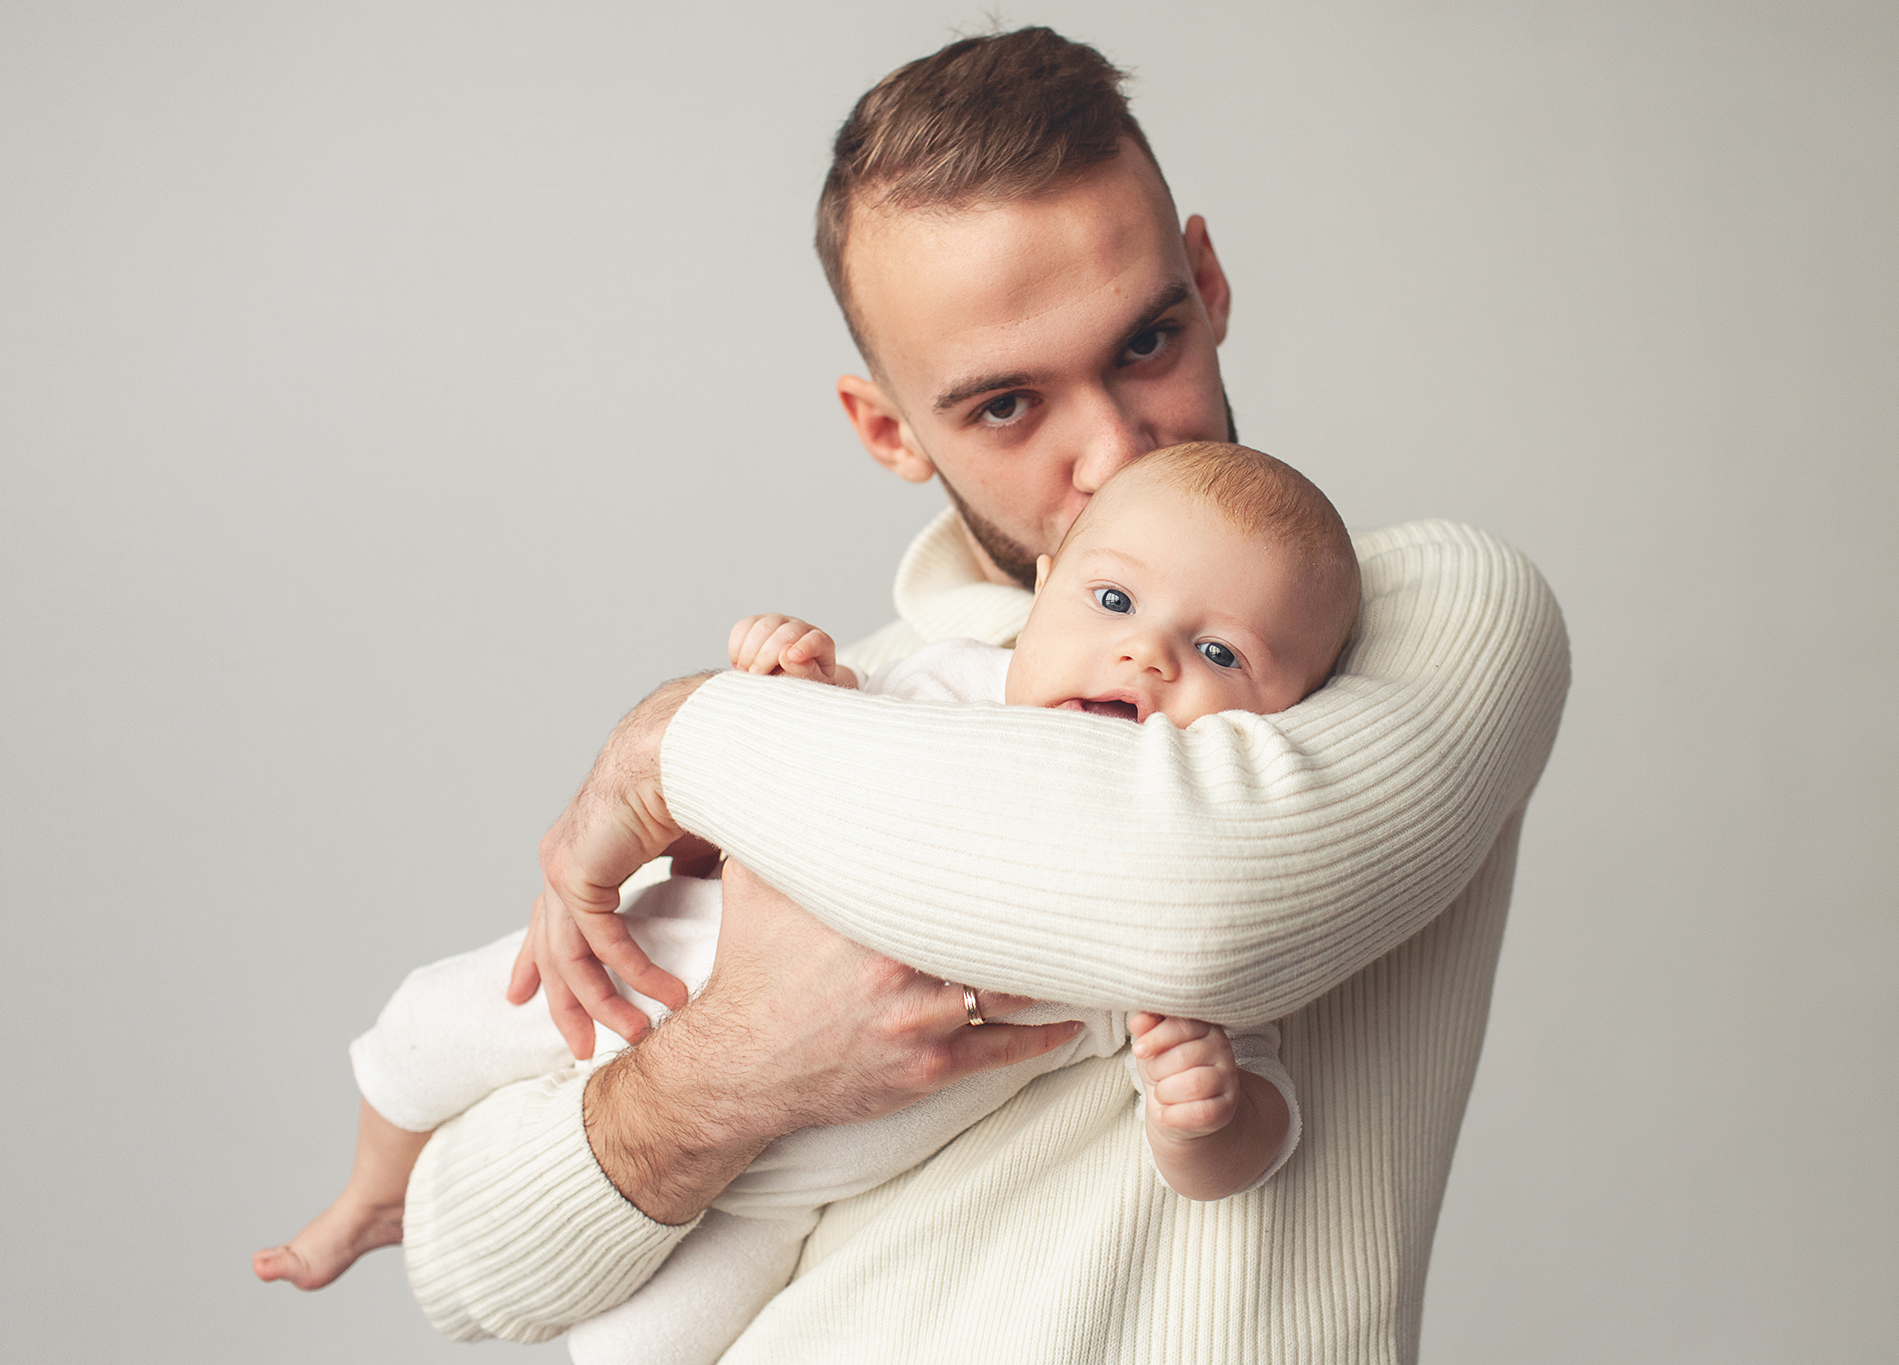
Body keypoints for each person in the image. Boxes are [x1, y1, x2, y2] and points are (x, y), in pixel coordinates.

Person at [401, 27, 1569, 1363]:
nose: (1113, 452)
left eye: (1146, 343)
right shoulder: (851, 698)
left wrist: (681, 741)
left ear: (1209, 283)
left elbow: (1197, 894)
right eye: (1010, 405)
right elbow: (458, 1257)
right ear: (889, 430)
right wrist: (735, 1065)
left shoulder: (1432, 609)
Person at [256, 443, 1353, 1362]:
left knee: (652, 1348)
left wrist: (1207, 1117)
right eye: (1111, 600)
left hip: (782, 1191)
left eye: (1217, 652)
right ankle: (369, 1196)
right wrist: (795, 686)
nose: (1143, 652)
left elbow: (1257, 1105)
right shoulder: (955, 684)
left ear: (1291, 713)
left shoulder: (1174, 889)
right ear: (1046, 582)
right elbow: (787, 758)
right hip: (643, 971)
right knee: (424, 1027)